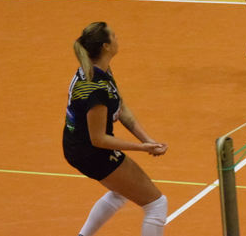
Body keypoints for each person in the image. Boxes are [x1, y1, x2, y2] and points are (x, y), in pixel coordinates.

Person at [63, 22, 168, 236]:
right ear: (105, 46)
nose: (117, 38)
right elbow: (99, 139)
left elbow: (122, 108)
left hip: (76, 145)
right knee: (156, 204)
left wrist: (147, 139)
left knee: (120, 192)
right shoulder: (96, 89)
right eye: (113, 36)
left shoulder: (97, 70)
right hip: (91, 151)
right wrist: (141, 147)